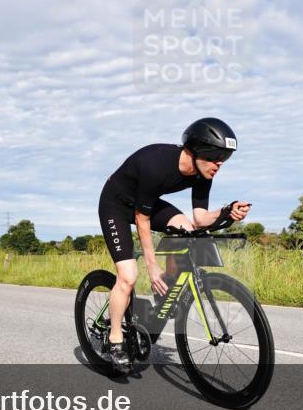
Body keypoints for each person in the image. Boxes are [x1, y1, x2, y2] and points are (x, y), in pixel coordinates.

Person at [97, 118, 251, 372]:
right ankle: (115, 338)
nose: (220, 163)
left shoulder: (203, 173)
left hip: (144, 203)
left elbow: (200, 218)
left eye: (225, 158)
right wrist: (152, 266)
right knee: (128, 276)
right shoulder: (156, 163)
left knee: (187, 230)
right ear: (197, 150)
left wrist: (226, 212)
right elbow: (141, 218)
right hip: (116, 205)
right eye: (216, 156)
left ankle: (165, 291)